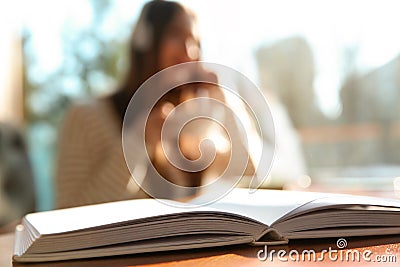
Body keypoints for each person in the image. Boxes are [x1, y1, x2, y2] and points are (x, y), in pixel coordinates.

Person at [55, 0, 254, 209]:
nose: (189, 50)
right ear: (145, 43)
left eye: (195, 41)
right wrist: (138, 141)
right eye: (176, 34)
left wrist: (223, 97)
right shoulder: (87, 116)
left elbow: (249, 170)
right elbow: (69, 209)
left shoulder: (190, 126)